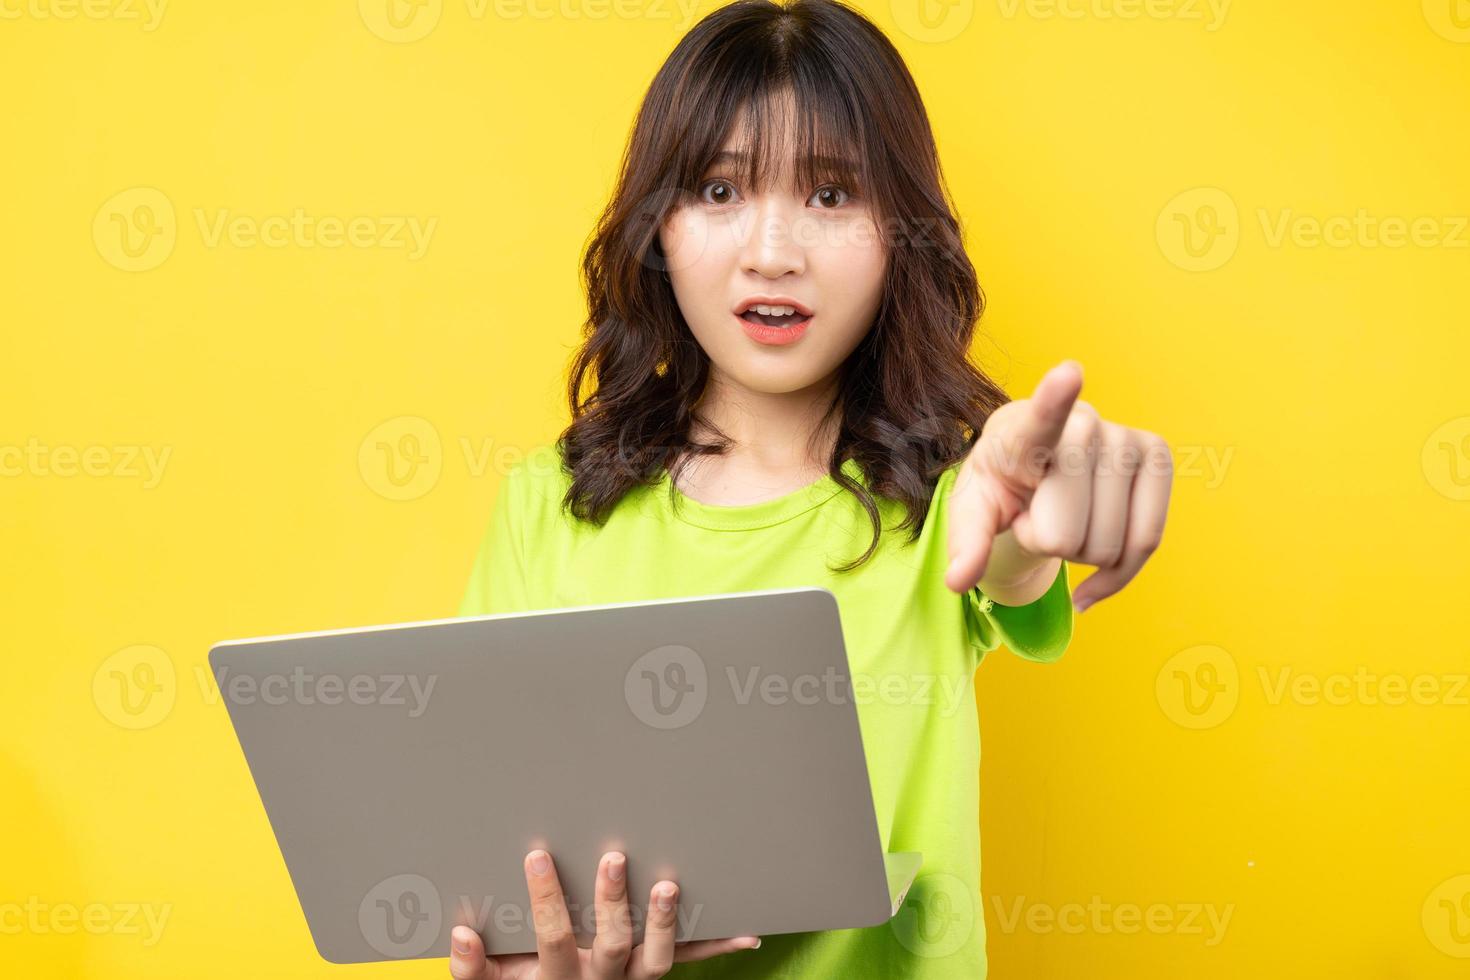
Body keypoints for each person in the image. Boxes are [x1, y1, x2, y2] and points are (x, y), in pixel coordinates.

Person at [447, 1, 1172, 977]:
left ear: (901, 233)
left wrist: (1033, 497)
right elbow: (490, 855)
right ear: (656, 224)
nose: (773, 250)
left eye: (832, 195)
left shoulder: (945, 499)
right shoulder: (553, 502)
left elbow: (1003, 548)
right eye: (718, 188)